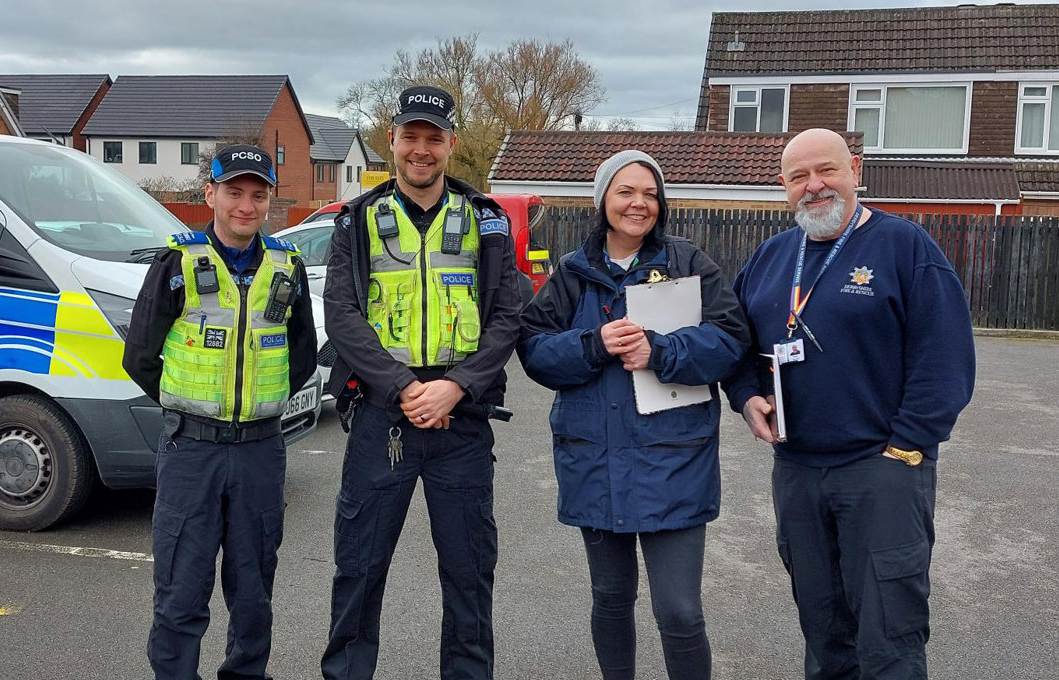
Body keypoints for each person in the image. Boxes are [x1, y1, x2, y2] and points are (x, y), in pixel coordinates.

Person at [724, 128, 975, 679]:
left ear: (855, 170)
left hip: (880, 470)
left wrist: (905, 449)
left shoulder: (906, 247)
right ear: (784, 186)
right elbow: (733, 344)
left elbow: (945, 361)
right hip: (797, 470)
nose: (815, 186)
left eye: (827, 170)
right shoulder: (770, 257)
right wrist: (745, 398)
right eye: (798, 177)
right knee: (823, 630)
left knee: (890, 634)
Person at [518, 150, 748, 680]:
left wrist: (663, 352)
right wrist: (592, 345)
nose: (638, 203)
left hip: (674, 464)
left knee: (679, 611)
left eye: (650, 193)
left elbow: (731, 341)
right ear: (603, 201)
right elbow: (533, 349)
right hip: (594, 463)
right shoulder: (573, 274)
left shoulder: (690, 264)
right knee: (611, 599)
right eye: (625, 192)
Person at [319, 85, 520, 680]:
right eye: (411, 136)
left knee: (468, 571)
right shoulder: (357, 219)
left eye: (434, 138)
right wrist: (403, 387)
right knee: (359, 566)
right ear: (392, 140)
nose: (421, 149)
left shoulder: (487, 220)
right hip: (386, 416)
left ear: (452, 144)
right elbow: (343, 314)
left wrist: (457, 386)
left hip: (463, 417)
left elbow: (508, 313)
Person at [123, 145, 317, 680]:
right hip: (192, 451)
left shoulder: (287, 267)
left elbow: (302, 355)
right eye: (234, 193)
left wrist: (257, 402)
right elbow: (140, 355)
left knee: (254, 593)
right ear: (210, 193)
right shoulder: (177, 263)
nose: (246, 206)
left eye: (258, 195)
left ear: (269, 201)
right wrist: (194, 404)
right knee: (182, 591)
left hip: (260, 451)